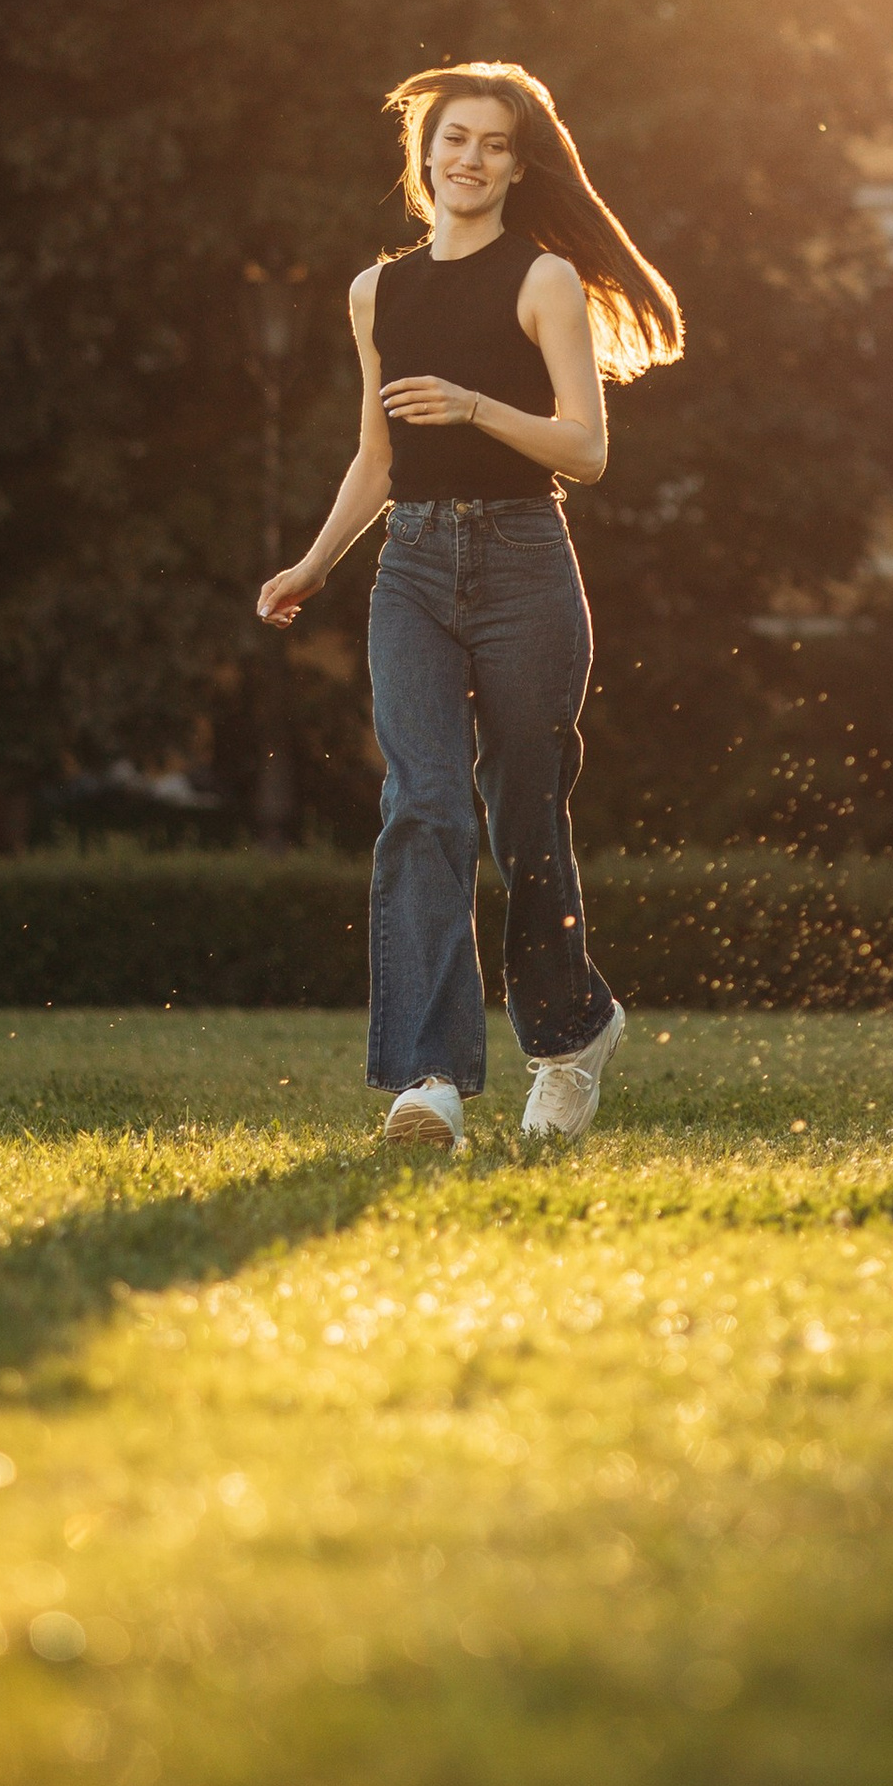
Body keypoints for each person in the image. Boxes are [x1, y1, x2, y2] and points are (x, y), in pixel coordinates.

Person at [256, 63, 683, 1152]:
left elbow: (584, 452)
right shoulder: (376, 292)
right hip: (410, 568)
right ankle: (430, 1083)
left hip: (523, 564)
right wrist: (312, 565)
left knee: (525, 817)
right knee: (423, 806)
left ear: (517, 162)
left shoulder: (540, 279)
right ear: (425, 154)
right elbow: (375, 455)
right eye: (454, 140)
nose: (470, 159)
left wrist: (475, 404)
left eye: (493, 144)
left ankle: (572, 1033)